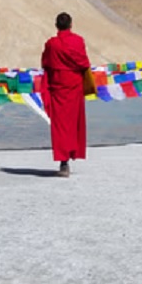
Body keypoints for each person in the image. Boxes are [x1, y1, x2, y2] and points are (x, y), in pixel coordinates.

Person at [41, 12, 91, 178]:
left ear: (56, 26)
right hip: (74, 88)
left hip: (58, 89)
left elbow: (45, 63)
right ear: (71, 25)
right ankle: (70, 155)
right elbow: (84, 63)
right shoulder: (78, 41)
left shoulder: (51, 44)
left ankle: (64, 163)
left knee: (60, 126)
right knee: (73, 124)